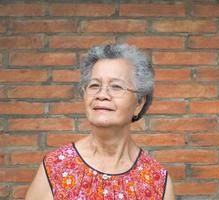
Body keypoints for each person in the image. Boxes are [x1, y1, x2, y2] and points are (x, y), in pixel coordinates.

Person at [25, 44, 175, 200]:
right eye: (94, 85)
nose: (102, 94)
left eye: (116, 87)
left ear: (139, 103)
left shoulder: (157, 180)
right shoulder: (55, 168)